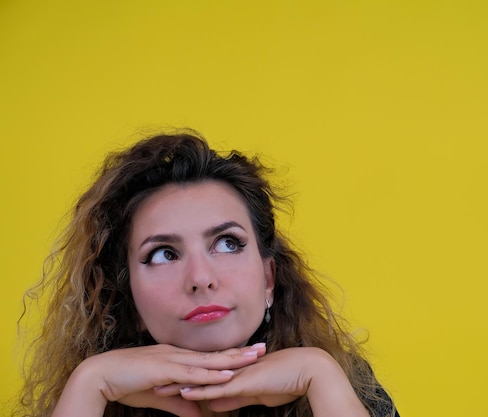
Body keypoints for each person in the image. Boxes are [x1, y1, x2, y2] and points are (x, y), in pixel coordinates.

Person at [15, 130, 398, 417]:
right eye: (164, 254)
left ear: (269, 279)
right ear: (127, 298)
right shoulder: (92, 399)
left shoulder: (339, 385)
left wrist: (322, 377)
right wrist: (89, 385)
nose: (201, 277)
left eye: (228, 243)